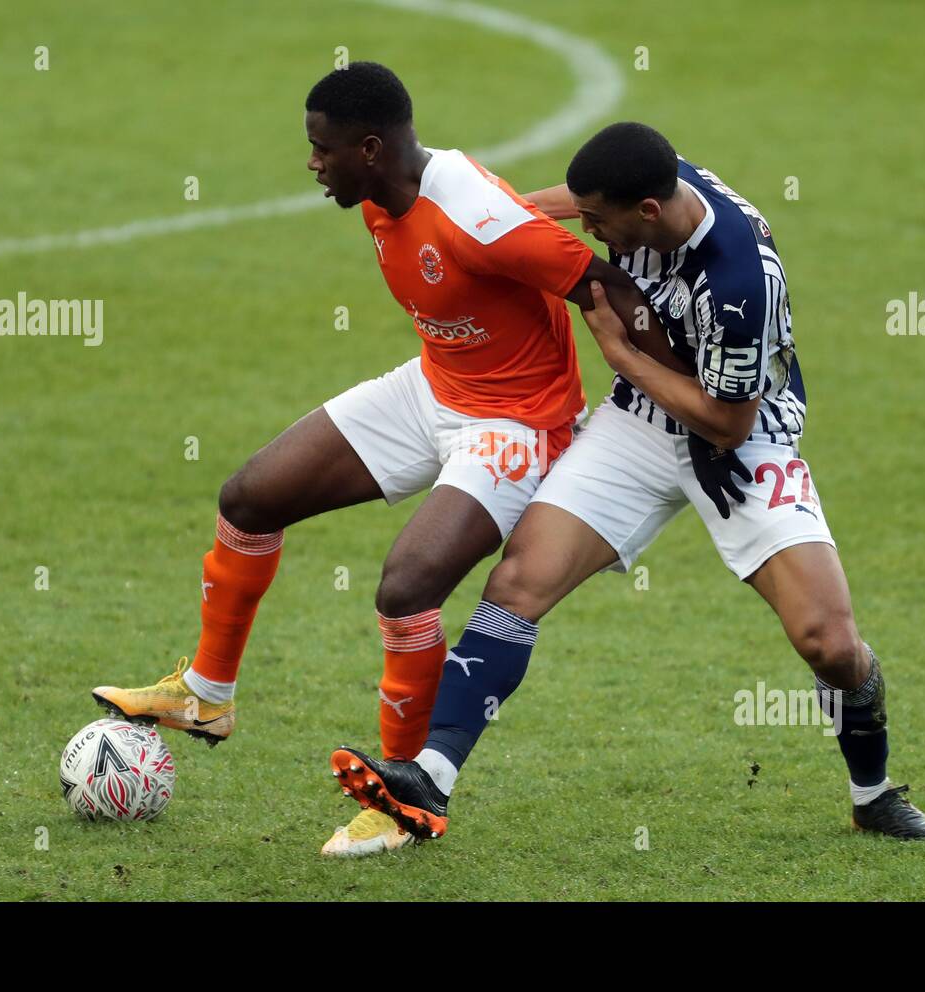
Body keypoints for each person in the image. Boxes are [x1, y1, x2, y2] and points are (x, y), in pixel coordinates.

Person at [92, 73, 686, 858]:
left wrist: (688, 394)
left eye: (321, 149)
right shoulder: (377, 195)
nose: (312, 164)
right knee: (249, 498)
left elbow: (605, 282)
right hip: (434, 387)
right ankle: (206, 694)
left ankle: (404, 796)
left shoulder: (473, 216)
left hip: (514, 426)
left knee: (407, 586)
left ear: (370, 150)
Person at [329, 122, 925, 846]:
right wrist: (493, 222)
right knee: (519, 582)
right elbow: (575, 200)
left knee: (830, 644)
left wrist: (622, 356)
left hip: (742, 441)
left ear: (647, 213)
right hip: (641, 426)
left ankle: (872, 795)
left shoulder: (738, 281)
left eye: (599, 222)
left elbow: (728, 422)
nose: (589, 231)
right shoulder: (652, 179)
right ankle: (430, 778)